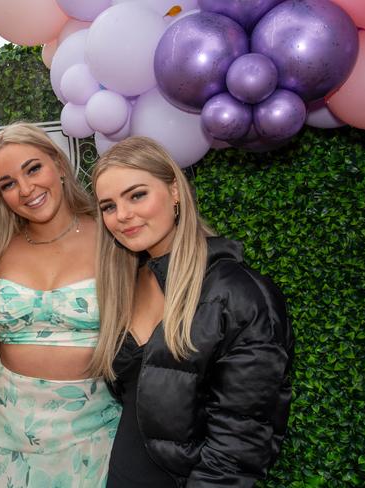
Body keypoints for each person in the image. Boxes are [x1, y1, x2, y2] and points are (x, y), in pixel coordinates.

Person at [91, 136, 293, 487]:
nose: (122, 215)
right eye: (108, 206)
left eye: (137, 194)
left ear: (175, 192)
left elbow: (242, 442)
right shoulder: (124, 283)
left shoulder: (240, 293)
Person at [0, 123, 121, 487]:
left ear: (58, 162)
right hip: (4, 434)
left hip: (92, 433)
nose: (26, 190)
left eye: (33, 168)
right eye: (7, 184)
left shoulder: (112, 236)